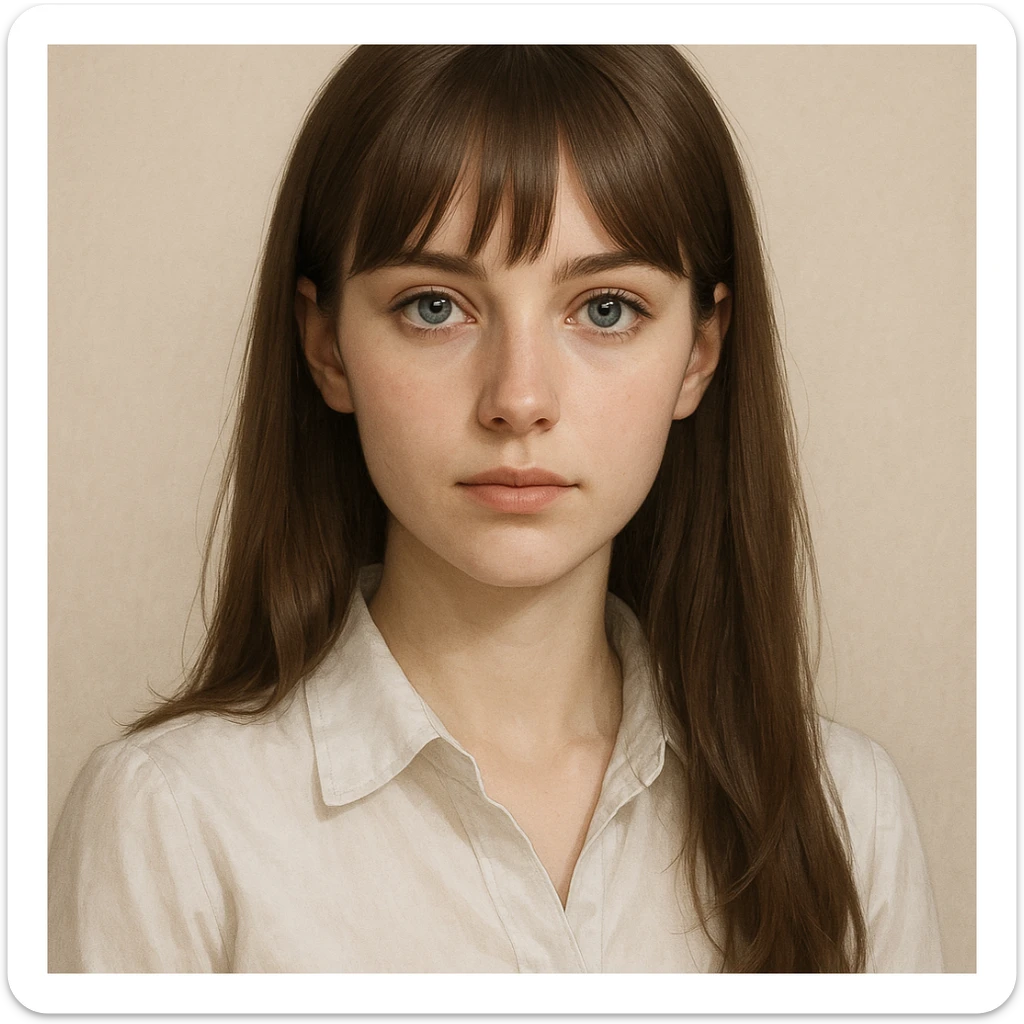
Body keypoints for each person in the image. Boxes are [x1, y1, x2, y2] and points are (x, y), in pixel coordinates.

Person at [47, 44, 944, 973]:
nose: (518, 399)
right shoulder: (171, 822)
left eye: (604, 310)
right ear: (326, 347)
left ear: (701, 352)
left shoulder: (849, 814)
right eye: (435, 306)